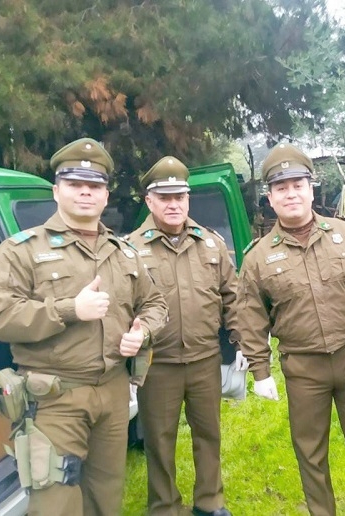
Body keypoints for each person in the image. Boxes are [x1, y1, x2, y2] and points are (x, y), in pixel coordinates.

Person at [0, 137, 168, 516]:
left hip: (113, 393)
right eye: (75, 185)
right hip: (55, 399)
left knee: (106, 496)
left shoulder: (123, 251)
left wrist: (142, 331)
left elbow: (155, 303)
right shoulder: (22, 251)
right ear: (56, 191)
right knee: (55, 503)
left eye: (95, 186)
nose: (86, 192)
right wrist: (69, 309)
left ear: (105, 195)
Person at [237, 142, 345, 516]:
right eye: (281, 188)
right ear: (271, 198)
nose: (291, 194)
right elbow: (250, 316)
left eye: (297, 185)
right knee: (310, 452)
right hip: (303, 368)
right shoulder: (258, 257)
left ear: (311, 189)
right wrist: (260, 371)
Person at [128, 156, 245, 516]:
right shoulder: (131, 248)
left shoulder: (210, 244)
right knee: (159, 441)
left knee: (208, 434)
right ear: (150, 201)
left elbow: (233, 297)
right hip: (157, 364)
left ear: (188, 199)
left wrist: (242, 341)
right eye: (165, 197)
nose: (174, 203)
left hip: (204, 359)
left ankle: (209, 502)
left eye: (180, 196)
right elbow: (123, 306)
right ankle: (164, 506)